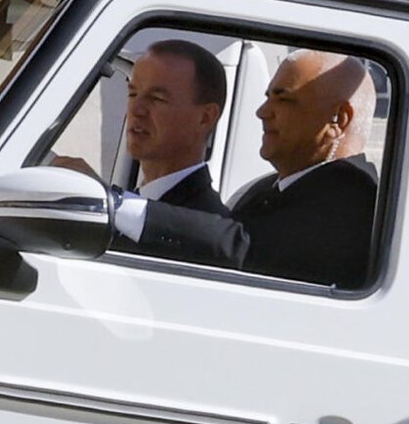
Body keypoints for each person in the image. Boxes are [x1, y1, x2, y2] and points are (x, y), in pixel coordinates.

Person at [123, 50, 381, 287]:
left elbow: (246, 250)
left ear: (338, 119)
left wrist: (120, 208)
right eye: (267, 98)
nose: (262, 112)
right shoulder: (272, 188)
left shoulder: (354, 202)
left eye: (283, 99)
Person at [66, 40, 231, 260]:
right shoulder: (132, 203)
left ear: (205, 117)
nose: (136, 109)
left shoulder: (205, 233)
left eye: (157, 98)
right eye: (132, 94)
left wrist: (104, 199)